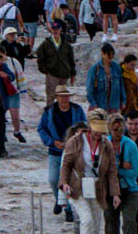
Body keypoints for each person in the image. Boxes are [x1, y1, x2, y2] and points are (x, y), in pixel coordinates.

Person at [61, 109, 121, 234]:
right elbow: (66, 165)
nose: (99, 133)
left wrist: (115, 193)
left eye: (101, 129)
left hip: (97, 186)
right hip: (77, 186)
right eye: (96, 129)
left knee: (96, 223)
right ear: (89, 125)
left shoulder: (106, 144)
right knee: (86, 220)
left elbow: (112, 170)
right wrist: (64, 183)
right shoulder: (75, 141)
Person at [41, 86, 87, 223]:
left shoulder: (77, 110)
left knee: (71, 180)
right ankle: (58, 199)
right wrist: (52, 142)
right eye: (61, 96)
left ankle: (68, 209)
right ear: (57, 97)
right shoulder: (48, 111)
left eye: (66, 96)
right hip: (55, 151)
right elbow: (41, 129)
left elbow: (84, 127)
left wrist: (75, 141)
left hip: (73, 152)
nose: (64, 99)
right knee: (53, 179)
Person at [38, 25, 79, 103]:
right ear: (51, 30)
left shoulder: (66, 44)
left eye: (57, 29)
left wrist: (72, 74)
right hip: (52, 74)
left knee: (63, 97)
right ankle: (50, 114)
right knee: (51, 96)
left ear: (61, 30)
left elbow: (71, 60)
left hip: (64, 74)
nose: (55, 31)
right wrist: (44, 70)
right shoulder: (46, 44)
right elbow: (40, 57)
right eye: (53, 29)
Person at [88, 43, 126, 114]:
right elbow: (89, 88)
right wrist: (93, 104)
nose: (110, 59)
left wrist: (123, 101)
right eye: (109, 56)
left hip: (114, 105)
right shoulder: (95, 69)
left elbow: (121, 85)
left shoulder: (116, 67)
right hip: (99, 105)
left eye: (112, 57)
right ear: (103, 54)